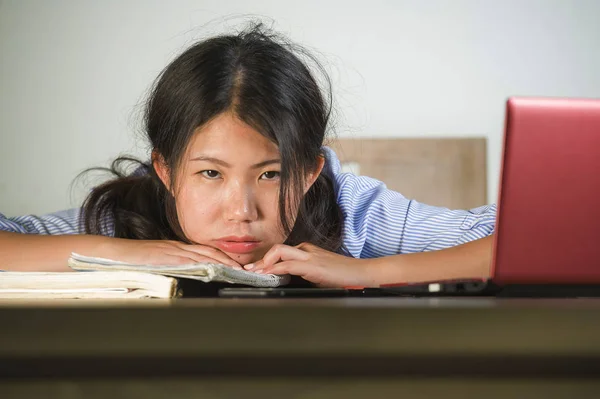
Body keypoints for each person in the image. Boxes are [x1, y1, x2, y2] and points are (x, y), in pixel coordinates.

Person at [0, 24, 496, 288]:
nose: (240, 211)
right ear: (166, 172)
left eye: (272, 174)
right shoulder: (125, 220)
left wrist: (368, 271)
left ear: (310, 173)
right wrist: (112, 253)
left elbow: (528, 242)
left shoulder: (360, 215)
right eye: (211, 173)